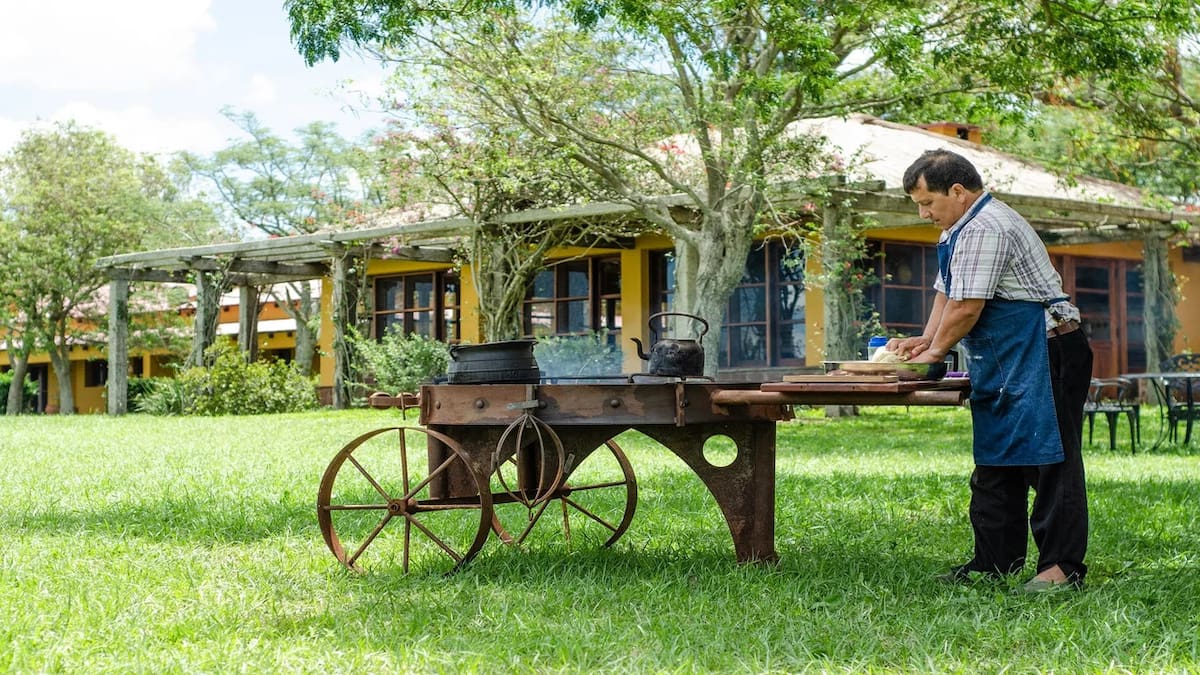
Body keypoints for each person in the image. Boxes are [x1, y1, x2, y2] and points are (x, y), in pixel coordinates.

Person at [889, 149, 1093, 592]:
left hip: (1047, 350)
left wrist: (935, 356)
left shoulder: (986, 226)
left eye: (927, 203)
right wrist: (927, 340)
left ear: (958, 192)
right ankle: (994, 562)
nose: (924, 213)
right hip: (1004, 355)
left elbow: (967, 307)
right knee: (996, 457)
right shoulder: (956, 230)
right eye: (918, 206)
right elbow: (947, 296)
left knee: (1050, 461)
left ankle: (1061, 568)